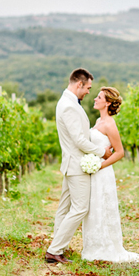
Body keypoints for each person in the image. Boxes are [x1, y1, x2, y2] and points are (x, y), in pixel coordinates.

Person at [45, 68, 112, 264]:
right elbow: (79, 141)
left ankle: (59, 246)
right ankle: (54, 250)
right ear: (79, 84)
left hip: (71, 164)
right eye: (88, 87)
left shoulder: (68, 102)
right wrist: (102, 152)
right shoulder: (68, 106)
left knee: (64, 208)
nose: (89, 92)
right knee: (80, 208)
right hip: (77, 165)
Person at [81, 86, 139, 263]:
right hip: (95, 170)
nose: (95, 99)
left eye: (99, 97)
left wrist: (99, 166)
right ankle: (93, 247)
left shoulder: (109, 123)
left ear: (107, 103)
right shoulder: (98, 122)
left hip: (102, 172)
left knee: (102, 207)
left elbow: (120, 152)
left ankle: (106, 248)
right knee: (94, 208)